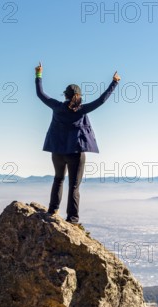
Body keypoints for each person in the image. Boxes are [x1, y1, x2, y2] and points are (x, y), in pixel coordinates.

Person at [35, 62, 120, 225]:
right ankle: (72, 219)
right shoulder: (81, 110)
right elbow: (102, 100)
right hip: (75, 153)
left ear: (65, 95)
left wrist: (38, 74)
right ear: (79, 96)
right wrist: (114, 82)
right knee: (74, 186)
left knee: (58, 179)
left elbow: (40, 94)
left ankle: (53, 210)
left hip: (58, 152)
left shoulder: (57, 107)